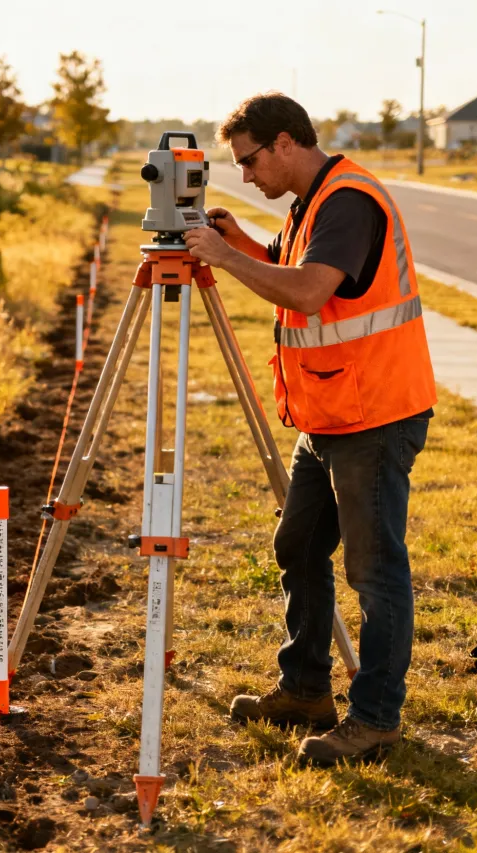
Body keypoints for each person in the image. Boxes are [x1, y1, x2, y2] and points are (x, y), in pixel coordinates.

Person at [183, 92, 437, 765]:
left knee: (375, 571)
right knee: (297, 545)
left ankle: (376, 719)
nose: (245, 174)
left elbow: (306, 290)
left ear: (286, 143)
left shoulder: (349, 200)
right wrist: (237, 240)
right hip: (329, 412)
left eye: (249, 161)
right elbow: (289, 261)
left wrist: (223, 255)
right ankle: (304, 689)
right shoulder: (310, 202)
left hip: (375, 414)